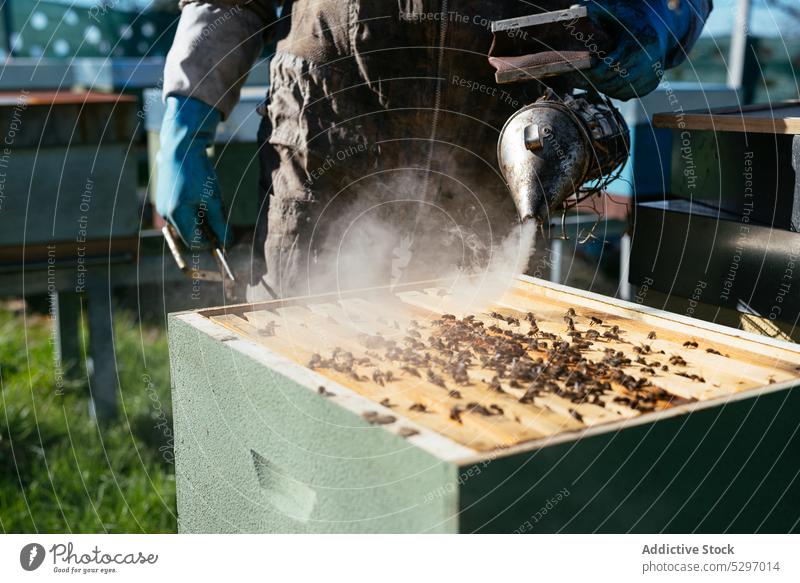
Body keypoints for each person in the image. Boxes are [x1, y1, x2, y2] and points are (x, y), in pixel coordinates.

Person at [157, 0, 712, 300]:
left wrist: (657, 18)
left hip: (500, 130)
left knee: (495, 355)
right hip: (329, 115)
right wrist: (188, 110)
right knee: (304, 334)